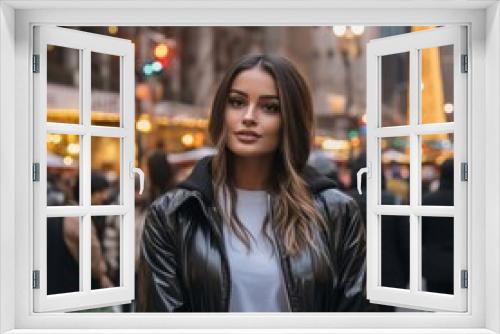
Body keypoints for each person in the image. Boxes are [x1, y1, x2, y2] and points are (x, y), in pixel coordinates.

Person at [137, 54, 367, 312]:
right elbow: (158, 321)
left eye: (269, 107)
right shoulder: (173, 214)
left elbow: (355, 317)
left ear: (290, 120)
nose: (248, 116)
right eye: (236, 102)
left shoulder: (336, 212)